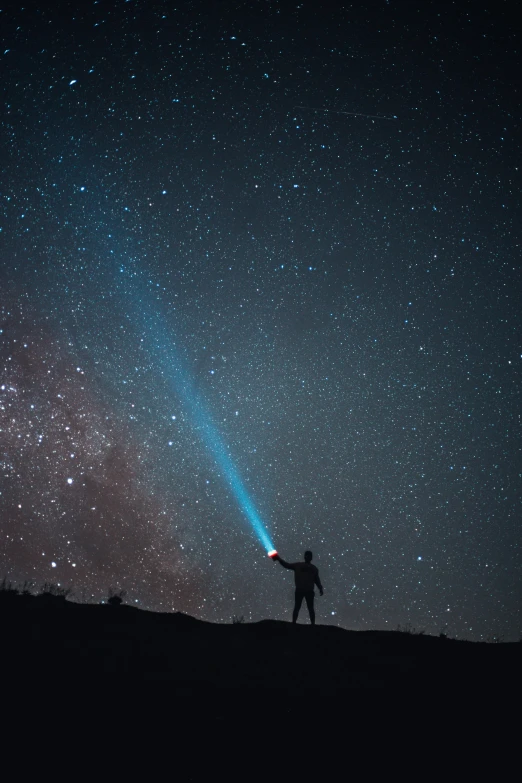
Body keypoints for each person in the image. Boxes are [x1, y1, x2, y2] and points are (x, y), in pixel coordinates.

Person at [272, 550, 324, 624]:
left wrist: (320, 588)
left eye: (309, 555)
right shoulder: (303, 566)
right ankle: (296, 622)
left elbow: (317, 580)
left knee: (308, 608)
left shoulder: (313, 568)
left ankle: (309, 624)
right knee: (299, 607)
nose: (308, 557)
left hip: (307, 590)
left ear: (310, 557)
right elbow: (286, 565)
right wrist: (279, 559)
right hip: (301, 590)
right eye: (307, 555)